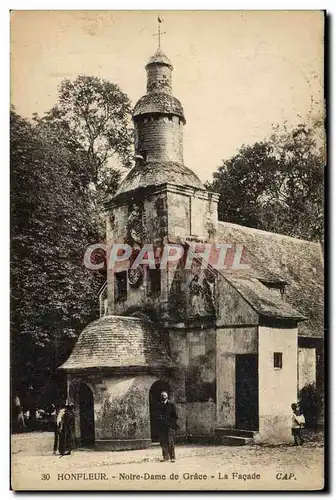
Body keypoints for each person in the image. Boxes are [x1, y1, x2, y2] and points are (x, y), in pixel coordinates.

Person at [157, 391, 178, 462]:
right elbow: (157, 415)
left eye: (165, 395)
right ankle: (165, 457)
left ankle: (172, 457)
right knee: (163, 441)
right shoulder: (159, 405)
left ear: (167, 396)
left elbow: (175, 416)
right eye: (162, 395)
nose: (163, 397)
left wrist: (171, 424)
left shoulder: (171, 404)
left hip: (169, 426)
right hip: (162, 426)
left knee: (170, 441)